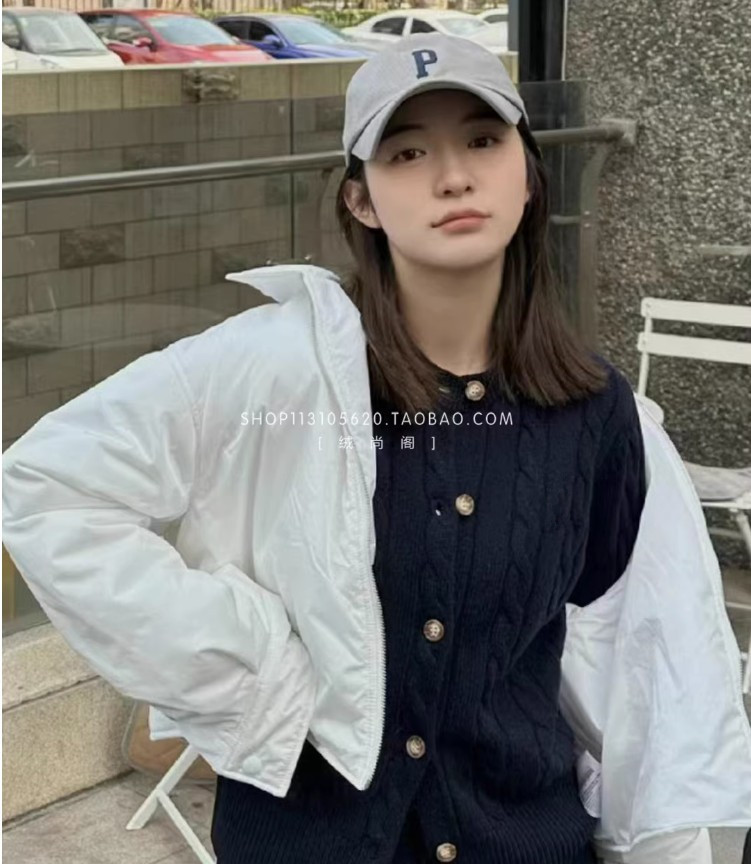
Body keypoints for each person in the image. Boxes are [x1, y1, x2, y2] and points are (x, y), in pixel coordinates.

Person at [5, 32, 743, 864]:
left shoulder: (598, 414)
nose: (452, 176)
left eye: (482, 140)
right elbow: (45, 487)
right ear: (359, 199)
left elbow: (632, 653)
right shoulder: (272, 369)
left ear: (529, 176)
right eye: (407, 153)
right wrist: (254, 673)